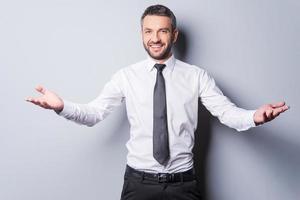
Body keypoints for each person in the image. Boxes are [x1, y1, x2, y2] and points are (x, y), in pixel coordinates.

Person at [26, 4, 289, 200]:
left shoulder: (196, 76)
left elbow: (226, 113)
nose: (155, 38)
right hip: (138, 184)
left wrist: (255, 116)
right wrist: (62, 107)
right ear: (141, 34)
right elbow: (94, 113)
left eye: (162, 31)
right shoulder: (126, 76)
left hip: (183, 185)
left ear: (174, 35)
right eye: (148, 31)